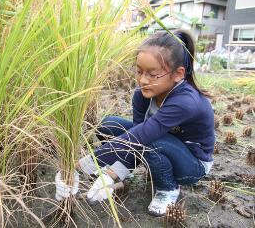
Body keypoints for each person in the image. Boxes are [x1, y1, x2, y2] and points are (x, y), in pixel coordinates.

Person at [54, 30, 215, 216]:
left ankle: (168, 189)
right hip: (158, 145)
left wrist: (79, 167)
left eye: (153, 74)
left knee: (151, 140)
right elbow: (135, 140)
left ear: (178, 74)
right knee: (110, 124)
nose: (142, 80)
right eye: (139, 71)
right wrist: (114, 173)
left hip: (192, 164)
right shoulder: (142, 94)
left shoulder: (186, 102)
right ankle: (130, 172)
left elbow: (141, 137)